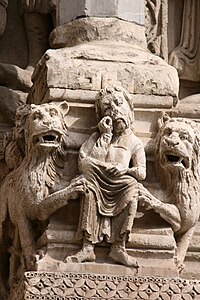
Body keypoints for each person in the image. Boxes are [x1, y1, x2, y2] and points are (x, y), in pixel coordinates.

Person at [65, 85, 146, 267]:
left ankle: (119, 247)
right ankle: (87, 247)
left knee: (133, 189)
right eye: (107, 108)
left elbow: (141, 172)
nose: (114, 110)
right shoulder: (97, 137)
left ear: (130, 109)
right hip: (96, 180)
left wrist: (125, 170)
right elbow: (85, 163)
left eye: (118, 103)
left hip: (121, 184)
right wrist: (105, 136)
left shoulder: (134, 142)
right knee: (88, 185)